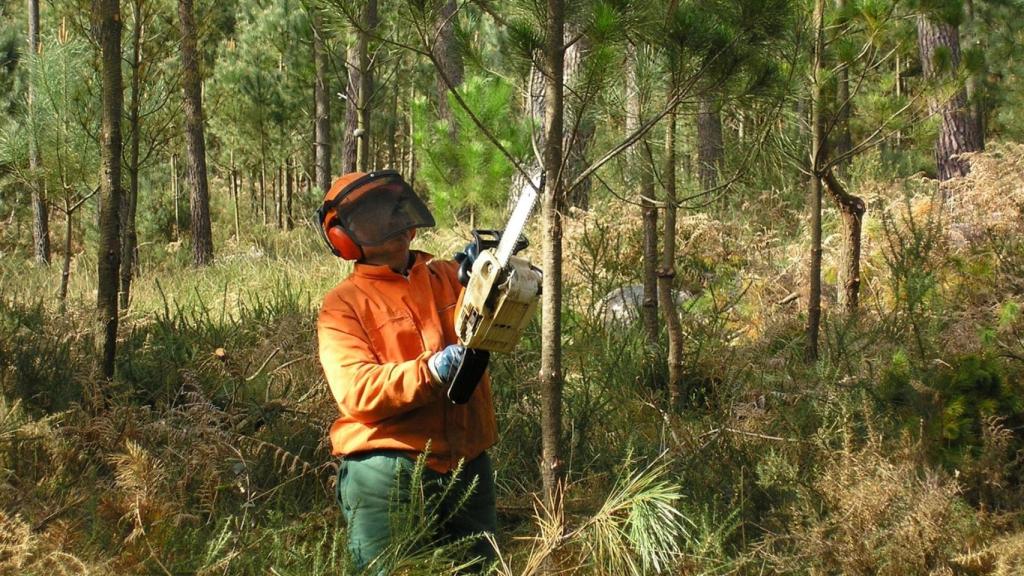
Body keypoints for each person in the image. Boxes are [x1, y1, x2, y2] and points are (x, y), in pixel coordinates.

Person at [315, 170, 498, 573]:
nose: (392, 222)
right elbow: (356, 390)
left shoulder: (449, 277)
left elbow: (497, 324)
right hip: (388, 468)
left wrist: (491, 275)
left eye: (394, 209)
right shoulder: (343, 305)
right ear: (345, 237)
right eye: (375, 216)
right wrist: (432, 370)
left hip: (468, 458)